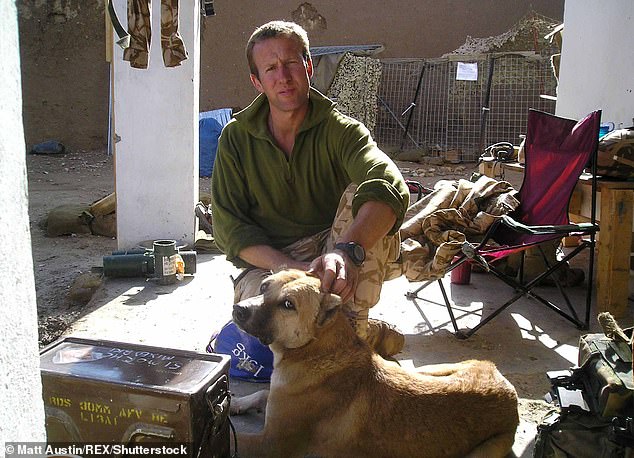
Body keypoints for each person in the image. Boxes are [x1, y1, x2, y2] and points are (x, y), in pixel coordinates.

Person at [211, 20, 409, 357]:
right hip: (269, 265)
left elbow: (388, 183)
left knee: (367, 195)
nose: (283, 77)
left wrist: (346, 252)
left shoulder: (342, 131)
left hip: (332, 254)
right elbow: (230, 230)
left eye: (291, 63)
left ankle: (353, 332)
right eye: (270, 69)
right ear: (257, 82)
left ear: (308, 67)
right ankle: (363, 336)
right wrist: (290, 268)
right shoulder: (235, 139)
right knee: (269, 339)